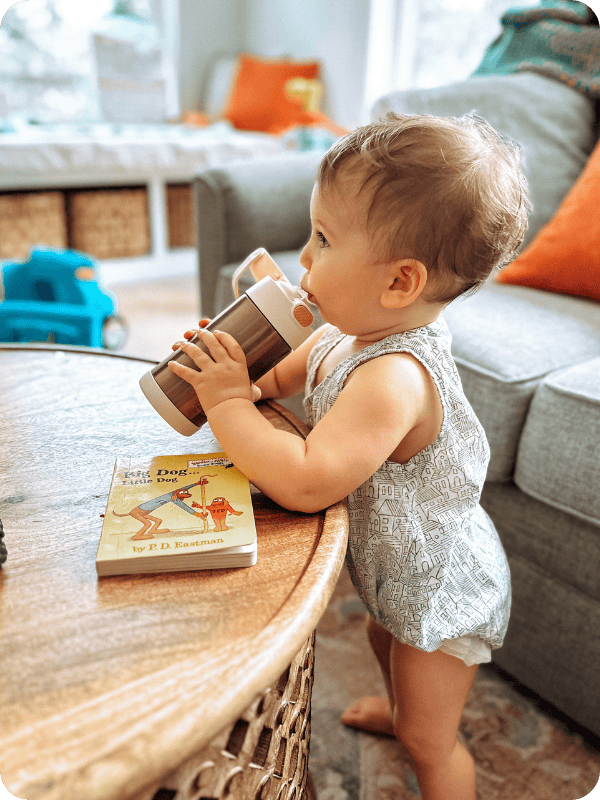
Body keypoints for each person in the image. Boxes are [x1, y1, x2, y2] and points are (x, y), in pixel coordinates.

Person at [169, 112, 529, 800]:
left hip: (441, 589)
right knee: (380, 639)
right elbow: (275, 380)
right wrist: (237, 368)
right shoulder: (348, 329)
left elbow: (306, 482)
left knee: (431, 736)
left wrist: (226, 408)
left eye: (324, 240)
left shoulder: (393, 379)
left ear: (399, 283)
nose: (303, 257)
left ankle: (427, 746)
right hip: (397, 575)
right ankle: (401, 709)